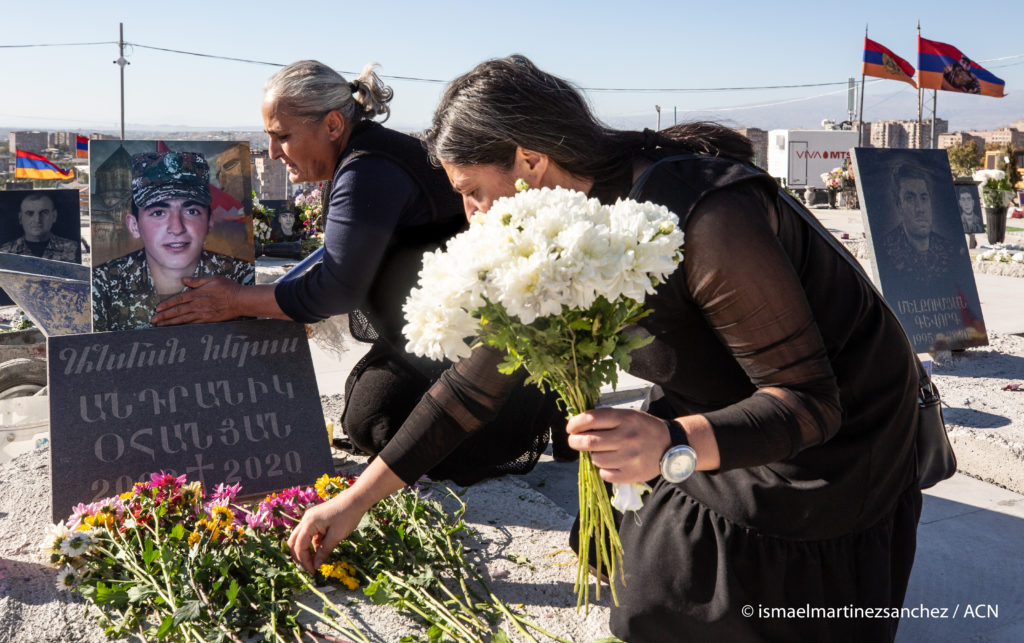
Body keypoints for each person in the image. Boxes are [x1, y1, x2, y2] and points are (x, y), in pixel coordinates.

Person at [288, 55, 923, 642]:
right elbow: (471, 387)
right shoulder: (546, 229)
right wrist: (353, 502)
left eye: (474, 191)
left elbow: (811, 404)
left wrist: (672, 445)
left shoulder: (707, 216)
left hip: (833, 445)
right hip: (719, 411)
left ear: (531, 163)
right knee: (642, 591)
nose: (472, 216)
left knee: (681, 608)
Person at [151, 60, 565, 484]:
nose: (273, 152)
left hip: (482, 353)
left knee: (386, 428)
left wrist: (234, 299)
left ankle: (532, 411)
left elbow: (336, 288)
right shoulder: (360, 155)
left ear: (332, 125)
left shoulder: (369, 168)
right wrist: (276, 295)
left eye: (283, 136)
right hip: (426, 337)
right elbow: (334, 259)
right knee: (365, 417)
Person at [91, 151, 254, 332]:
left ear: (209, 222)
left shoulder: (241, 277)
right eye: (158, 212)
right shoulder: (101, 284)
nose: (177, 228)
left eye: (191, 211)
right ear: (134, 225)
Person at [880, 163, 961, 288]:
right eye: (910, 198)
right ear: (899, 205)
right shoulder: (885, 250)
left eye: (924, 198)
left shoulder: (950, 250)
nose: (920, 209)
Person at [0, 192, 80, 262]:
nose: (37, 220)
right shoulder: (5, 252)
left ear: (54, 216)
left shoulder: (73, 249)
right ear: (20, 218)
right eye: (29, 213)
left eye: (44, 213)